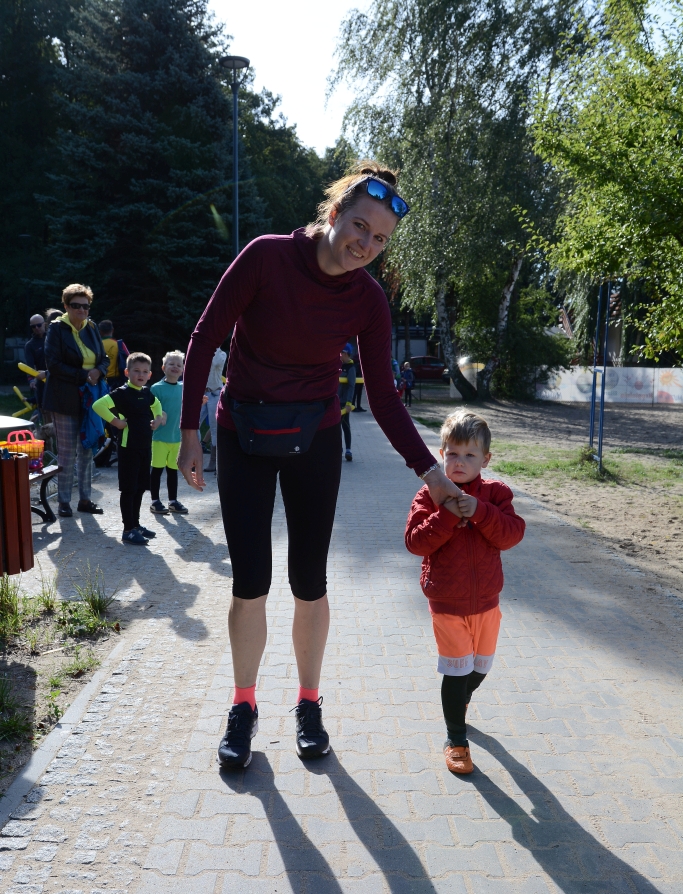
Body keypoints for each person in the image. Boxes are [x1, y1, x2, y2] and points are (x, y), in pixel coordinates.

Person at [177, 160, 461, 770]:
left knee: (310, 580)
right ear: (334, 214)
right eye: (360, 226)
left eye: (380, 238)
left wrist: (431, 473)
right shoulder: (266, 257)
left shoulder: (367, 300)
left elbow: (383, 396)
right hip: (243, 432)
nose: (366, 245)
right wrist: (189, 433)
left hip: (316, 438)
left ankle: (309, 703)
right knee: (250, 581)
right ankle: (244, 706)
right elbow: (205, 337)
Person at [405, 410, 525, 774]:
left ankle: (460, 699)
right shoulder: (430, 495)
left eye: (469, 455)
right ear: (442, 454)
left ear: (485, 459)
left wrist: (481, 512)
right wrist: (446, 515)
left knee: (480, 667)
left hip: (487, 601)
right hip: (447, 603)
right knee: (456, 673)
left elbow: (512, 534)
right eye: (453, 454)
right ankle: (456, 739)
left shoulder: (496, 494)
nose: (459, 462)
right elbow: (415, 542)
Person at [43, 284, 109, 517]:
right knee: (67, 452)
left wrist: (99, 371)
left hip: (91, 399)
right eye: (76, 305)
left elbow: (104, 358)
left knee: (87, 450)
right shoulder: (56, 329)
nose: (82, 310)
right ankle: (63, 502)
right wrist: (84, 375)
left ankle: (85, 500)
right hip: (64, 399)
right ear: (66, 306)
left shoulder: (91, 327)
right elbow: (53, 364)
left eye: (86, 306)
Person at [92, 353, 164, 546]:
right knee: (129, 489)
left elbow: (157, 405)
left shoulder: (147, 392)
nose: (141, 375)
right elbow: (98, 405)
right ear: (127, 372)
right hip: (128, 448)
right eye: (136, 371)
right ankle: (128, 530)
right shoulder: (122, 393)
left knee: (140, 488)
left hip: (144, 448)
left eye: (145, 371)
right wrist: (115, 421)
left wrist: (157, 419)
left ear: (150, 375)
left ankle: (136, 525)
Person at [149, 350, 188, 514]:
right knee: (157, 470)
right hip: (159, 437)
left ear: (183, 369)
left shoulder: (184, 388)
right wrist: (159, 415)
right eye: (171, 364)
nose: (175, 367)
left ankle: (173, 501)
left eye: (179, 365)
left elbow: (187, 409)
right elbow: (149, 408)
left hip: (177, 438)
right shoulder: (156, 388)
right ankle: (155, 501)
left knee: (173, 471)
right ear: (164, 367)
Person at [200, 346, 226, 472]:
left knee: (214, 428)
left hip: (215, 394)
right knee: (193, 424)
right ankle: (194, 457)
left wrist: (213, 347)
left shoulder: (221, 354)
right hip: (202, 393)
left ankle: (214, 462)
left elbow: (214, 363)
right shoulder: (202, 350)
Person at [24, 314, 47, 408]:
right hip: (42, 381)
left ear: (44, 324)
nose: (36, 328)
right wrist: (31, 381)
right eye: (33, 326)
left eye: (39, 325)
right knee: (43, 409)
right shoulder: (30, 345)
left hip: (57, 378)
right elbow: (29, 366)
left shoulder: (53, 339)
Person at [338, 342, 356, 461]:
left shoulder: (350, 367)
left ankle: (348, 450)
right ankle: (338, 449)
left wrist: (349, 403)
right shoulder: (338, 365)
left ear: (346, 353)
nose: (339, 355)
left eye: (341, 353)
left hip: (344, 402)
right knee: (336, 426)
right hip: (336, 400)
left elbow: (351, 386)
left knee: (345, 425)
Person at [99, 320, 121, 387]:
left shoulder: (96, 345)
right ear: (112, 330)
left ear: (100, 331)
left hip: (99, 378)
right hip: (115, 380)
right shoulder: (119, 344)